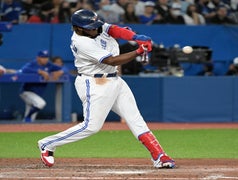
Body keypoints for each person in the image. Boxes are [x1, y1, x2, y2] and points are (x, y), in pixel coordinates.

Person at [37, 9, 175, 169]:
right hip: (94, 83)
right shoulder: (82, 42)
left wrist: (135, 37)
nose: (95, 28)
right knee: (91, 126)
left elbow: (113, 29)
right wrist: (138, 51)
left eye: (95, 25)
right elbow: (111, 60)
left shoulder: (96, 27)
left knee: (135, 119)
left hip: (114, 80)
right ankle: (48, 144)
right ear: (78, 28)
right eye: (91, 27)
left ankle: (159, 156)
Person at [19, 50, 63, 123]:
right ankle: (28, 117)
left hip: (37, 94)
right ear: (38, 58)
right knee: (40, 103)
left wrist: (61, 72)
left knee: (30, 119)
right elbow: (24, 69)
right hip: (26, 92)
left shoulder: (49, 65)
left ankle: (25, 124)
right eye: (43, 57)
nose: (45, 59)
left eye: (46, 57)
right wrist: (40, 72)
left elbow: (64, 68)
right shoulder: (33, 64)